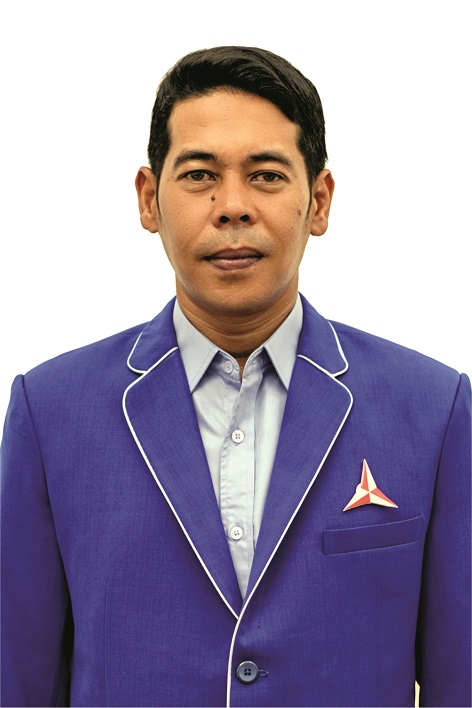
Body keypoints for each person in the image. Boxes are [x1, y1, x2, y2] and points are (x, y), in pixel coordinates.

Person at [1, 46, 470, 708]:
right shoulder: (50, 413)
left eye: (266, 175)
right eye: (199, 175)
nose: (232, 206)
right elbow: (18, 682)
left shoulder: (433, 410)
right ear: (149, 199)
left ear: (319, 202)